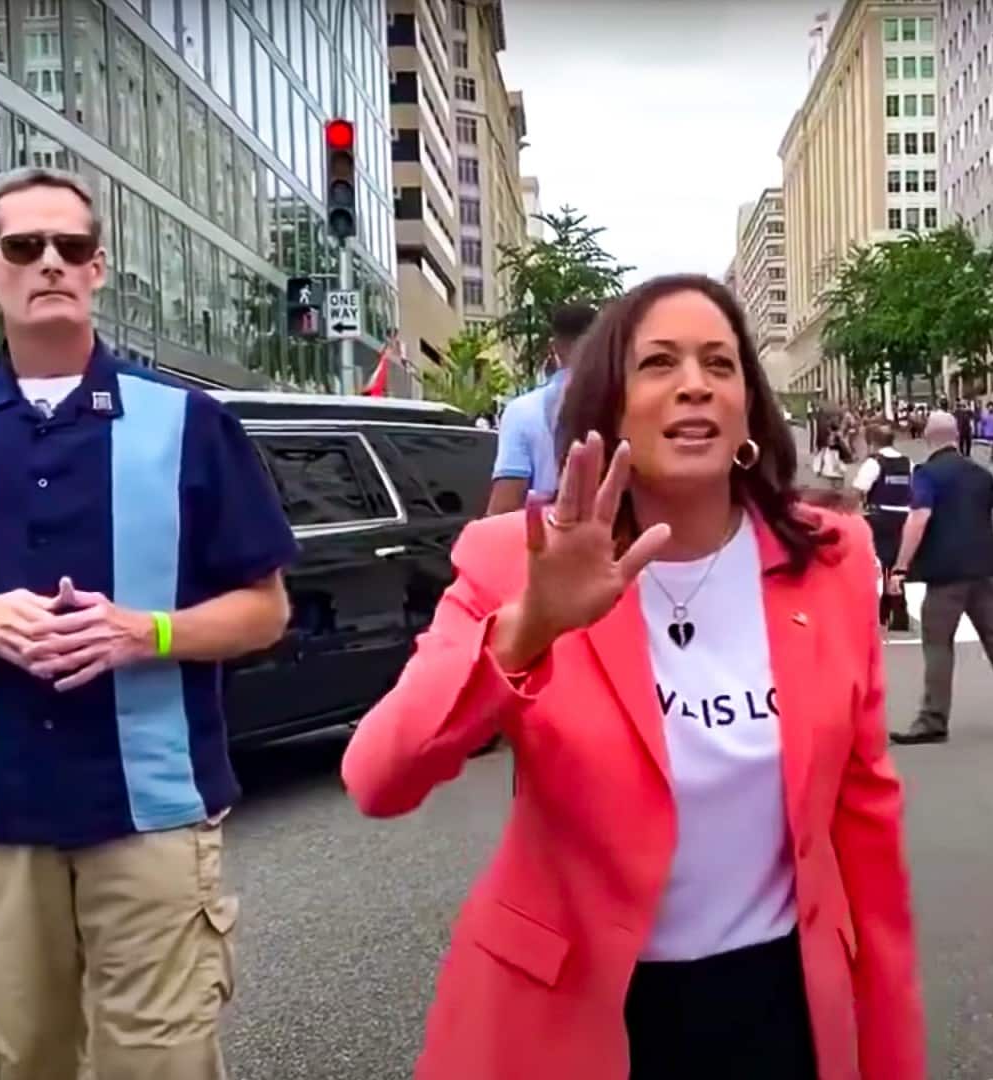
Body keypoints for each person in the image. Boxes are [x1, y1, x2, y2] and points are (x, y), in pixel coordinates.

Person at [342, 274, 926, 1080]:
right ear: (608, 406)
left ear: (748, 410)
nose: (695, 384)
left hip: (778, 1006)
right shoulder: (514, 557)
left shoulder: (829, 559)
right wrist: (527, 630)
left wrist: (891, 1052)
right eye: (659, 364)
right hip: (571, 1013)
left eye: (720, 365)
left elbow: (866, 817)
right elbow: (379, 777)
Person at [0, 167, 297, 1080]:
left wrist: (146, 634)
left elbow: (264, 607)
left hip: (151, 803)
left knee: (162, 1059)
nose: (49, 263)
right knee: (24, 1055)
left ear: (99, 268)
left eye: (71, 248)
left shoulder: (188, 421)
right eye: (23, 247)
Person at [886, 410, 993, 745]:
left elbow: (919, 518)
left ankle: (933, 719)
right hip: (984, 570)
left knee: (938, 644)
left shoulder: (927, 474)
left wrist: (900, 567)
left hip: (946, 575)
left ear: (927, 437)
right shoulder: (980, 473)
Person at [487, 302, 601, 516]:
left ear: (554, 347)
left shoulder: (523, 410)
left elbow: (504, 506)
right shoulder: (630, 402)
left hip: (547, 539)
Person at [852, 421, 913, 574]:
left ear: (872, 442)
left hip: (880, 519)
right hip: (904, 518)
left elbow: (858, 490)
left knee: (879, 560)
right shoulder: (908, 462)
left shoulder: (874, 462)